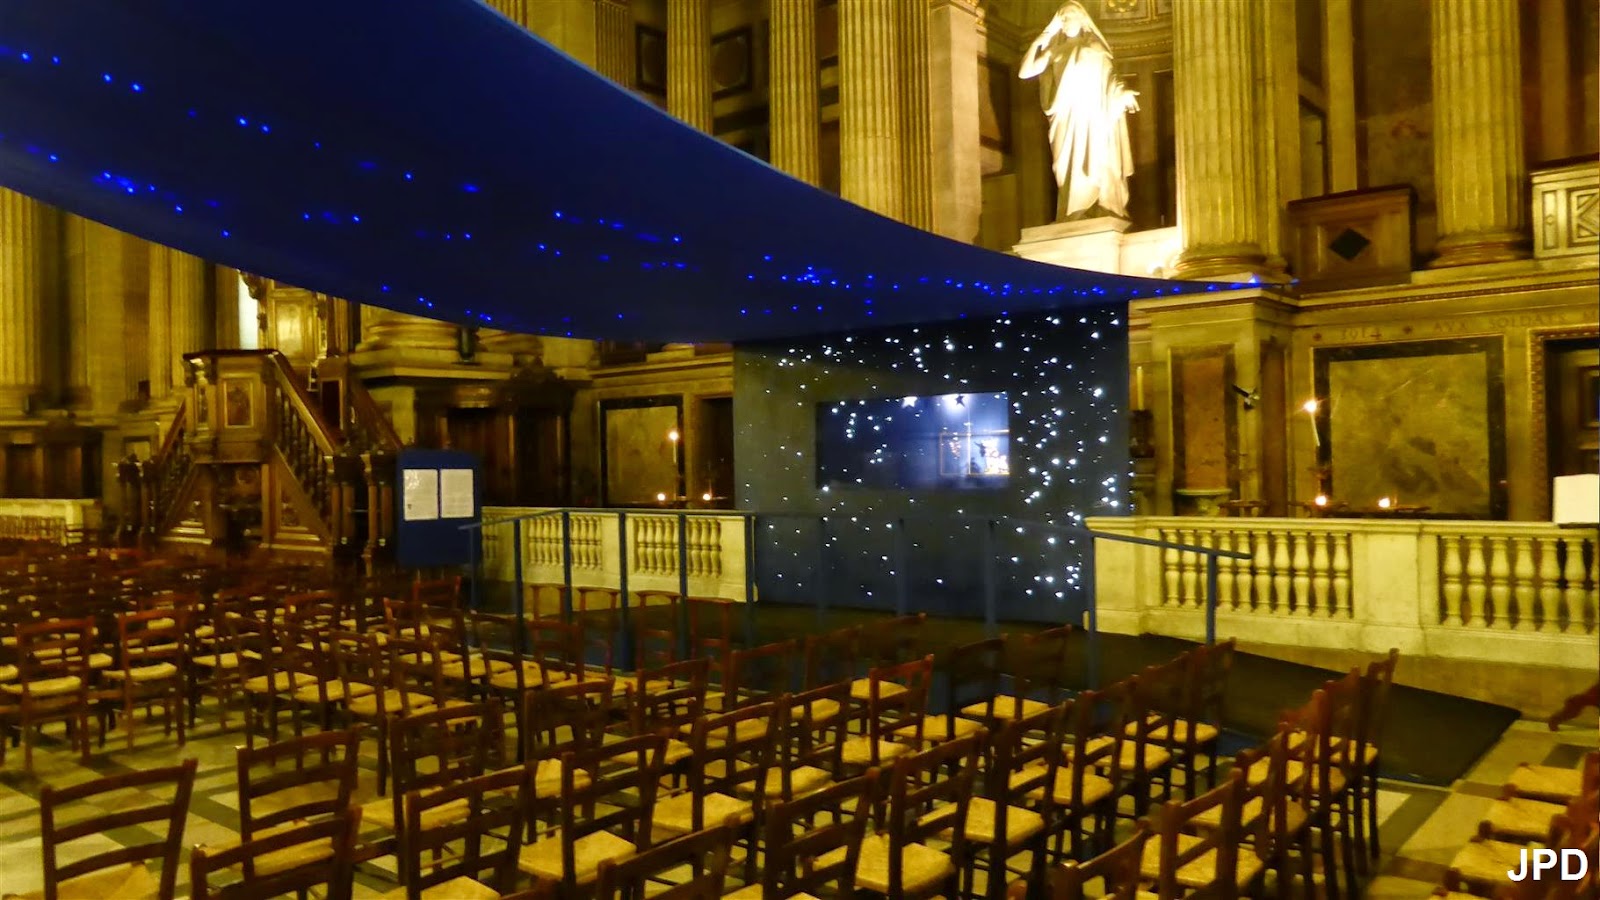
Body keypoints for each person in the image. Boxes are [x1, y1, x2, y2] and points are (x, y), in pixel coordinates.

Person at [1019, 1, 1139, 221]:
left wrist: (1121, 94)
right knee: (1064, 166)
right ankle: (1073, 212)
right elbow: (1025, 72)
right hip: (1064, 115)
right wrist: (1044, 36)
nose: (1064, 22)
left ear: (1083, 20)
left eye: (1068, 17)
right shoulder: (1054, 50)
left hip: (1090, 113)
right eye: (1061, 18)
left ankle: (1092, 207)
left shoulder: (1094, 48)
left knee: (1093, 159)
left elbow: (1110, 79)